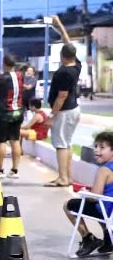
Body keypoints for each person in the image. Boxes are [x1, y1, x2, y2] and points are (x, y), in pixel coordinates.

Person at [66, 130, 113, 256]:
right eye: (96, 146)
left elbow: (95, 197)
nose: (96, 150)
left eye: (102, 147)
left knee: (68, 205)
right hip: (110, 210)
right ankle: (109, 240)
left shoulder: (104, 170)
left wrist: (84, 193)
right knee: (102, 206)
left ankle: (88, 239)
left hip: (106, 211)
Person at [47, 44, 83, 188]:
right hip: (73, 110)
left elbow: (61, 96)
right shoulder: (77, 67)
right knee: (66, 144)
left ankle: (62, 178)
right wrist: (61, 28)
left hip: (64, 112)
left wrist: (52, 116)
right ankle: (67, 177)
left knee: (60, 145)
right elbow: (69, 45)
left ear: (62, 55)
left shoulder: (64, 72)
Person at [0, 55, 24, 179]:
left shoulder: (1, 78)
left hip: (3, 114)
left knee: (1, 143)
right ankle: (15, 170)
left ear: (4, 63)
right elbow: (8, 78)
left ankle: (0, 170)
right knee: (15, 141)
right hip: (17, 113)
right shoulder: (20, 76)